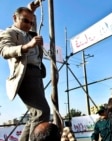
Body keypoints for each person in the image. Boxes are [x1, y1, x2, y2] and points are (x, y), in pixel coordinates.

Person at [0, 3, 50, 141]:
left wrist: (32, 7)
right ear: (15, 18)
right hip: (25, 74)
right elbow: (5, 51)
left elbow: (30, 18)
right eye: (25, 20)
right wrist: (27, 46)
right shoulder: (10, 33)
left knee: (34, 115)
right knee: (42, 112)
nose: (29, 24)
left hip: (37, 74)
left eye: (31, 22)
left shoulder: (29, 32)